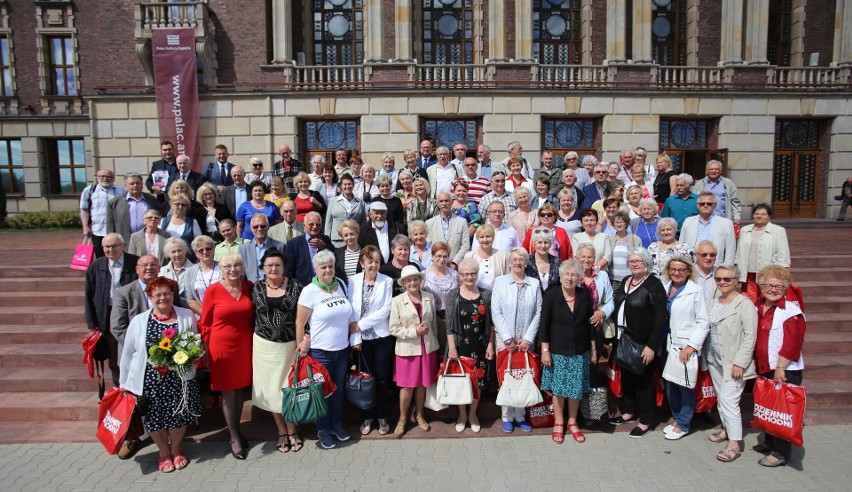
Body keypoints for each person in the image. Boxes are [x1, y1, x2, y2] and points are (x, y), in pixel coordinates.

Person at [119, 277, 199, 473]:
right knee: (154, 417)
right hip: (149, 379)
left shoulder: (187, 315)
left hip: (178, 378)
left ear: (173, 295)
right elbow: (128, 353)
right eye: (158, 294)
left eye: (167, 294)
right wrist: (124, 383)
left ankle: (176, 449)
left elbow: (194, 344)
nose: (163, 298)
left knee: (180, 415)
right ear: (150, 297)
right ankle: (163, 451)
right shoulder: (139, 321)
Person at [295, 250, 359, 449]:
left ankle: (336, 424)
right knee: (322, 392)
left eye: (330, 266)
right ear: (316, 269)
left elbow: (349, 315)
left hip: (342, 350)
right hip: (320, 352)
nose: (328, 270)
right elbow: (300, 323)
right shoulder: (309, 291)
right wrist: (301, 348)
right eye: (323, 267)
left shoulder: (340, 284)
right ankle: (322, 429)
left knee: (337, 390)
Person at [199, 252, 254, 460]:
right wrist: (205, 349)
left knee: (240, 390)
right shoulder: (212, 291)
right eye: (227, 266)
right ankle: (234, 438)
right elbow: (205, 322)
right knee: (229, 394)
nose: (232, 269)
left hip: (244, 346)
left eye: (237, 265)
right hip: (221, 347)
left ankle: (237, 431)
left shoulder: (248, 286)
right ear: (220, 269)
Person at [251, 249, 304, 453]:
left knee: (289, 389)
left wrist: (304, 340)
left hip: (290, 345)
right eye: (269, 265)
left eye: (277, 265)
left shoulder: (297, 286)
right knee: (272, 390)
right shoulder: (255, 288)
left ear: (284, 267)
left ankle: (292, 429)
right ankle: (282, 430)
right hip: (264, 347)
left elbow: (304, 317)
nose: (273, 268)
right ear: (263, 268)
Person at [752, 265, 806, 468]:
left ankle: (781, 452)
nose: (772, 289)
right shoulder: (758, 306)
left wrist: (780, 367)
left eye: (778, 286)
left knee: (781, 411)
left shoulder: (791, 312)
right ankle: (769, 442)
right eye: (768, 285)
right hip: (764, 366)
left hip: (784, 370)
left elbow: (793, 343)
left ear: (785, 288)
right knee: (768, 407)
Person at [611, 248, 667, 438]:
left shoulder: (654, 284)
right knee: (627, 377)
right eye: (631, 261)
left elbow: (660, 318)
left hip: (643, 341)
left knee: (644, 382)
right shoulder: (627, 280)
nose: (634, 264)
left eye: (638, 261)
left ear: (647, 263)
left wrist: (651, 345)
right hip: (624, 338)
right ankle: (628, 412)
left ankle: (645, 420)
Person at [705, 264, 757, 463]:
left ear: (736, 281)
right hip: (714, 359)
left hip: (733, 363)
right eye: (719, 279)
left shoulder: (744, 304)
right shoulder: (714, 302)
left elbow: (750, 336)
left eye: (727, 279)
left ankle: (735, 443)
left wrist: (740, 363)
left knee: (729, 401)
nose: (723, 283)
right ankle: (726, 429)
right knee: (722, 398)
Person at [541, 259, 596, 444]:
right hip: (557, 350)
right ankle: (559, 422)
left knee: (575, 388)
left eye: (574, 274)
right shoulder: (551, 294)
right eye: (566, 274)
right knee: (559, 389)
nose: (569, 278)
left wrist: (593, 349)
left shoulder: (584, 295)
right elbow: (544, 325)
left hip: (579, 350)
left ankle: (572, 422)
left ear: (579, 278)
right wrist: (545, 350)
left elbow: (591, 325)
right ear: (561, 275)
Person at [491, 247, 542, 433]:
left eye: (521, 259)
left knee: (524, 376)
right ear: (509, 262)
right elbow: (496, 312)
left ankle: (520, 416)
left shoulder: (534, 284)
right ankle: (506, 416)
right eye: (515, 259)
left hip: (525, 341)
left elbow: (538, 313)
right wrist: (506, 338)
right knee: (507, 378)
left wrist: (528, 338)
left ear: (526, 262)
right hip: (506, 340)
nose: (518, 262)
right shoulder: (500, 282)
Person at [347, 246, 395, 436]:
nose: (373, 265)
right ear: (362, 263)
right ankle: (367, 417)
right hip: (361, 341)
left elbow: (386, 310)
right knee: (365, 380)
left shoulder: (387, 281)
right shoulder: (353, 281)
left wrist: (361, 325)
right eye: (370, 261)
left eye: (376, 261)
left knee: (382, 380)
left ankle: (382, 416)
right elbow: (351, 311)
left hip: (381, 337)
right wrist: (356, 337)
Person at [661, 255, 709, 440]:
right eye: (673, 269)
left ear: (688, 271)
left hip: (685, 345)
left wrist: (691, 346)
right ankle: (677, 417)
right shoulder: (666, 288)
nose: (676, 273)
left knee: (685, 385)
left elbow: (703, 322)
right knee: (670, 383)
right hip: (668, 343)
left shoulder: (695, 291)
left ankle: (684, 424)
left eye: (681, 270)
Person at [389, 265, 441, 438]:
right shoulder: (397, 301)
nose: (412, 282)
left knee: (421, 384)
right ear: (403, 283)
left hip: (427, 347)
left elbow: (433, 324)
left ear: (420, 280)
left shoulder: (429, 297)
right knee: (407, 386)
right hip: (407, 349)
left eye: (415, 279)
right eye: (409, 280)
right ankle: (402, 419)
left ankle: (419, 414)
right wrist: (413, 332)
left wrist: (434, 343)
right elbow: (393, 329)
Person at [84, 233, 139, 388]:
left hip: (131, 313)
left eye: (114, 246)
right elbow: (89, 294)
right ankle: (120, 388)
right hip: (107, 314)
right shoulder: (96, 266)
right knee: (115, 357)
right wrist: (92, 322)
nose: (110, 250)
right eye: (107, 247)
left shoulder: (135, 262)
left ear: (123, 246)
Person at [446, 258, 494, 434]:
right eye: (465, 274)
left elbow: (491, 324)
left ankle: (473, 414)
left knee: (477, 382)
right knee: (461, 381)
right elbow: (449, 325)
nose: (469, 277)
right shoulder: (453, 295)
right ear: (460, 276)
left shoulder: (486, 294)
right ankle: (461, 414)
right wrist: (451, 348)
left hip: (479, 345)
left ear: (477, 274)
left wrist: (490, 346)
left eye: (473, 273)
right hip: (459, 346)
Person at [735, 204, 791, 302]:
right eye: (756, 214)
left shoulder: (778, 231)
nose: (759, 216)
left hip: (768, 273)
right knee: (748, 301)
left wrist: (781, 272)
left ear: (769, 216)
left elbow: (783, 253)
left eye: (763, 214)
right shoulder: (745, 230)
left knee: (766, 299)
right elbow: (739, 251)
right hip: (748, 274)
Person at [680, 191, 736, 266]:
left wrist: (726, 271)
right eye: (702, 204)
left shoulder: (726, 224)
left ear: (715, 205)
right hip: (692, 267)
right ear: (697, 205)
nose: (705, 206)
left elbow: (730, 251)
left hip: (716, 268)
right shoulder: (688, 222)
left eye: (709, 204)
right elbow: (681, 247)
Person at [422, 241, 459, 352]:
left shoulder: (454, 274)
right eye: (438, 256)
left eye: (445, 256)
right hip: (433, 319)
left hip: (453, 318)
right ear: (432, 256)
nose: (442, 259)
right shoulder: (424, 275)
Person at [80, 169, 126, 258]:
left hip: (116, 230)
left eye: (108, 176)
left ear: (113, 179)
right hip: (97, 230)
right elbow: (84, 209)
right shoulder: (90, 190)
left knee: (118, 254)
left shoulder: (122, 191)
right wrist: (85, 227)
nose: (105, 179)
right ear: (97, 178)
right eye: (102, 176)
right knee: (100, 256)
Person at [107, 173, 161, 243]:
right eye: (132, 184)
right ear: (126, 185)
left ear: (142, 185)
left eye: (137, 183)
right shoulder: (115, 202)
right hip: (124, 241)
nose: (135, 185)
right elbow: (110, 224)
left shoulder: (151, 200)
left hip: (147, 240)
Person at [285, 211, 335, 285]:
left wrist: (324, 247)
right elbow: (289, 269)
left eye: (318, 224)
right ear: (304, 226)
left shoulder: (326, 240)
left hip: (325, 284)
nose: (315, 227)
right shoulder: (294, 243)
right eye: (311, 224)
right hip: (302, 286)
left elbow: (335, 257)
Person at [425, 192, 470, 267]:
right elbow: (428, 246)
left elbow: (465, 245)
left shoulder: (462, 222)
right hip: (436, 265)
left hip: (455, 266)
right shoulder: (429, 223)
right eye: (441, 201)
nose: (444, 203)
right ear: (437, 204)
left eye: (446, 201)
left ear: (452, 202)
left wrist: (455, 262)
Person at [691, 160, 741, 225]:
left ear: (720, 171)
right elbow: (695, 202)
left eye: (716, 169)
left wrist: (737, 217)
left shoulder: (728, 183)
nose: (714, 171)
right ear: (707, 171)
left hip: (723, 220)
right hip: (704, 220)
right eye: (711, 169)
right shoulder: (700, 184)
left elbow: (735, 201)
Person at [181, 235, 220, 316]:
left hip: (222, 315)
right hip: (201, 317)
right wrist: (207, 315)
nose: (205, 252)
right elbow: (190, 299)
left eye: (208, 248)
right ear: (196, 253)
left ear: (214, 249)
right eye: (200, 250)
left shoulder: (223, 267)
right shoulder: (189, 272)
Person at [238, 214, 285, 282]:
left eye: (263, 226)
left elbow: (283, 270)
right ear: (251, 228)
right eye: (255, 227)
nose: (259, 229)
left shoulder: (279, 247)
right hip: (251, 288)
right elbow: (241, 273)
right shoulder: (243, 249)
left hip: (274, 287)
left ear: (268, 227)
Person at [464, 224, 509, 290]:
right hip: (475, 294)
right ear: (477, 239)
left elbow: (507, 278)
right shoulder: (469, 256)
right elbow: (465, 278)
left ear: (493, 237)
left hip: (497, 294)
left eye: (488, 236)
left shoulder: (502, 255)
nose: (485, 240)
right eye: (481, 237)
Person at [606, 211, 642, 290]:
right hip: (613, 279)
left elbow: (640, 259)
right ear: (613, 224)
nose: (619, 224)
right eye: (616, 222)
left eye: (621, 222)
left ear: (626, 223)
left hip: (630, 278)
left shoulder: (635, 239)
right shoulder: (609, 240)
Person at [525, 227, 561, 293]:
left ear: (550, 244)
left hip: (553, 302)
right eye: (539, 242)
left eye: (546, 242)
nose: (543, 246)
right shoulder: (526, 262)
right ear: (533, 244)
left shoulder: (558, 262)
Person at [695, 240, 721, 306]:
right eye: (704, 255)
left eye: (712, 255)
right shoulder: (687, 273)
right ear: (695, 255)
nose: (708, 258)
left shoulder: (721, 275)